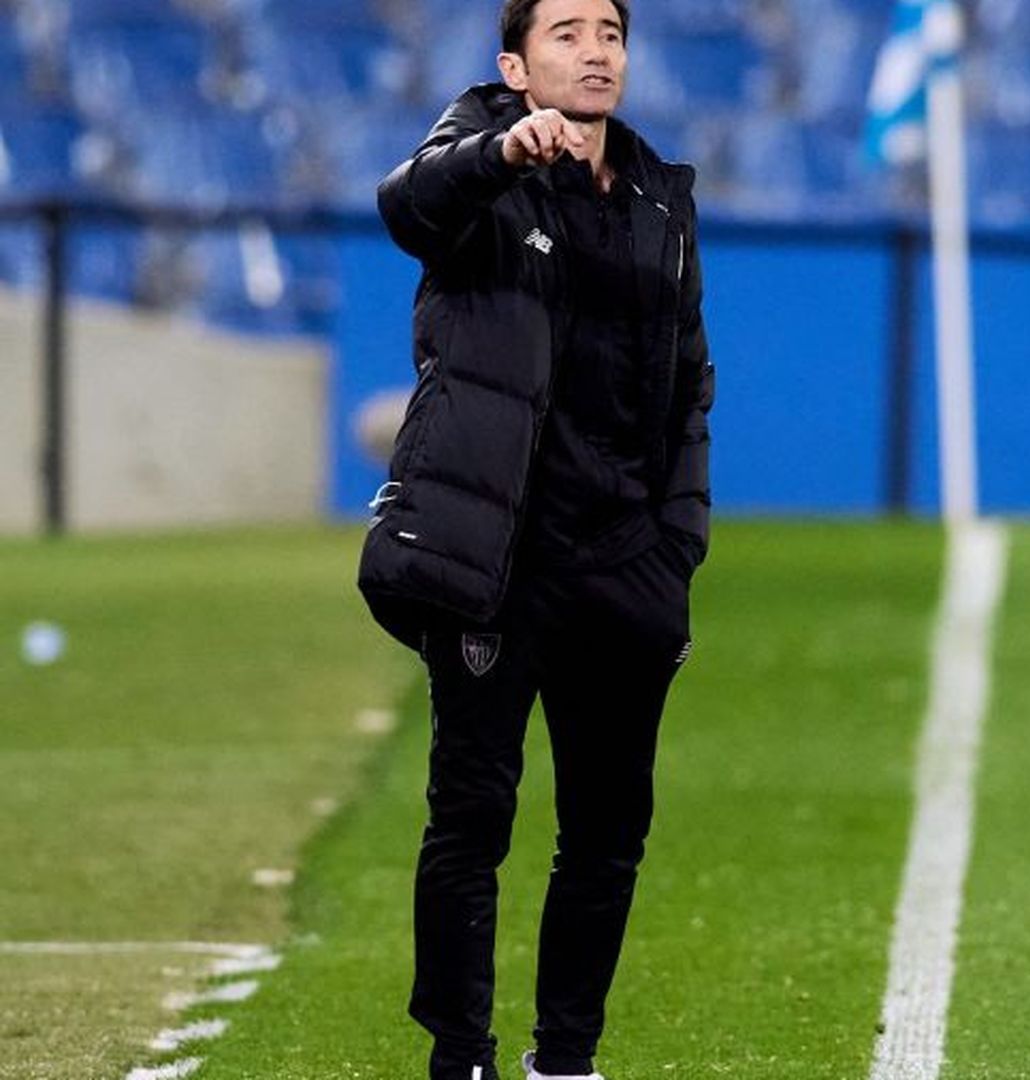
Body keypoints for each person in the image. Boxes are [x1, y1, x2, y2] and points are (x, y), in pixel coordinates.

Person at [356, 0, 715, 1076]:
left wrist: (678, 543)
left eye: (610, 31)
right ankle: (459, 1056)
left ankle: (567, 1059)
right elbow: (408, 208)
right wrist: (498, 153)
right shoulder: (477, 156)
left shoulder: (660, 194)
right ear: (516, 62)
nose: (596, 49)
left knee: (608, 835)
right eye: (567, 32)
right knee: (472, 817)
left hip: (625, 565)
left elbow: (690, 384)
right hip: (499, 563)